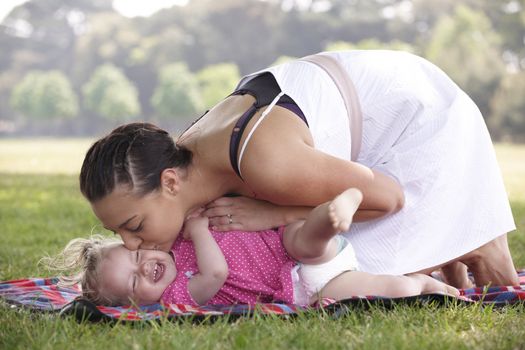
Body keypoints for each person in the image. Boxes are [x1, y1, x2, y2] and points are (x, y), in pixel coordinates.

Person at [79, 50, 518, 289]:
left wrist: (277, 214)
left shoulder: (264, 162)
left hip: (420, 115)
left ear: (170, 182)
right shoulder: (189, 155)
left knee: (364, 267)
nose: (130, 242)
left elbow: (387, 197)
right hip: (369, 119)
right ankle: (450, 257)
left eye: (133, 225)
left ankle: (476, 250)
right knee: (360, 264)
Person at [46, 188, 458, 306]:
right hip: (300, 288)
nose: (145, 269)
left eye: (137, 258)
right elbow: (216, 274)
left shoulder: (174, 246)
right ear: (141, 305)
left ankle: (332, 212)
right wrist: (201, 231)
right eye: (136, 284)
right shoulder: (177, 295)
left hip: (285, 246)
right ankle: (424, 286)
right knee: (382, 290)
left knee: (308, 241)